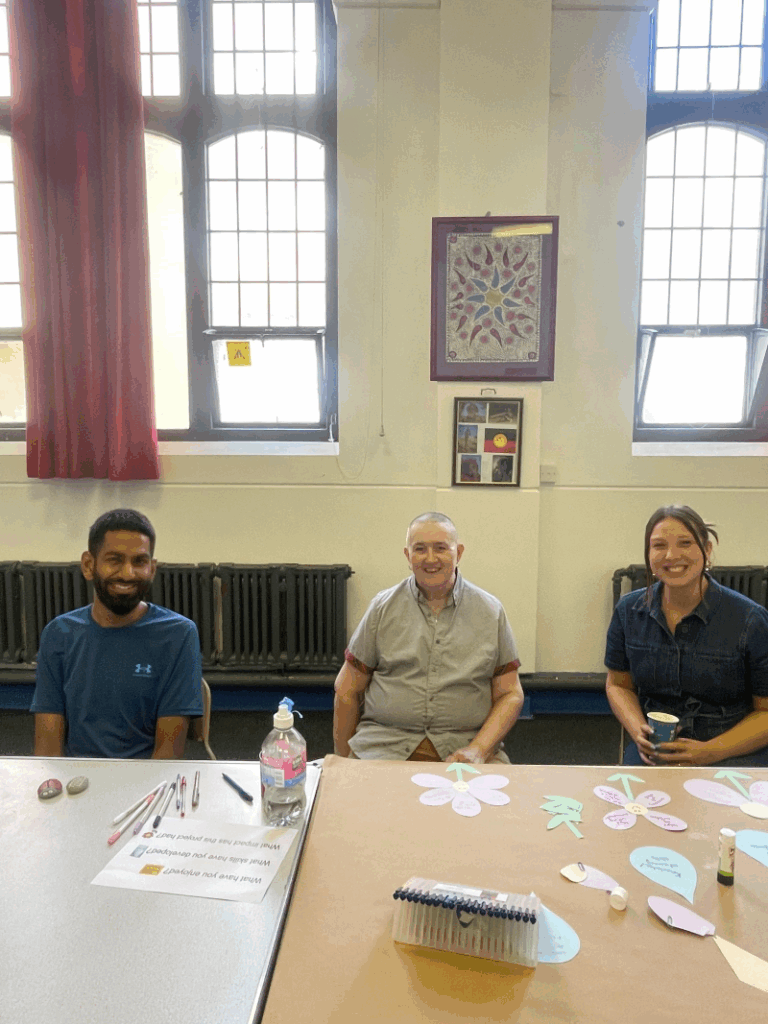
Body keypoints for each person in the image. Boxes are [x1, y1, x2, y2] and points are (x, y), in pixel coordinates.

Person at [333, 512, 524, 762]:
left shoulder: (490, 612)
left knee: (502, 800)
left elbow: (510, 694)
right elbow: (347, 688)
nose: (430, 559)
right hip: (383, 746)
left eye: (441, 548)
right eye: (420, 549)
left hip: (465, 747)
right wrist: (342, 760)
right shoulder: (382, 608)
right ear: (407, 555)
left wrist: (479, 749)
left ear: (459, 553)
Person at [31, 509, 203, 759]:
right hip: (76, 783)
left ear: (152, 569)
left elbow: (167, 755)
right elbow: (47, 749)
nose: (127, 573)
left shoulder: (178, 635)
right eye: (114, 560)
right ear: (89, 565)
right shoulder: (59, 634)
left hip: (146, 787)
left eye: (139, 562)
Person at [605, 504, 768, 767]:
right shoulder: (628, 611)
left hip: (733, 751)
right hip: (656, 749)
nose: (671, 555)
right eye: (659, 546)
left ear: (707, 550)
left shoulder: (750, 620)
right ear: (648, 554)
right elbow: (618, 685)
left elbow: (765, 712)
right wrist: (638, 730)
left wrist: (712, 751)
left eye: (685, 543)